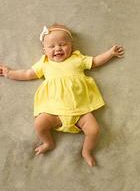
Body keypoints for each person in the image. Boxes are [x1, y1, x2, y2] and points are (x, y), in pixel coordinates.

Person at [0, 24, 125, 167]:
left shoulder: (77, 59)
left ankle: (86, 151)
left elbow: (95, 62)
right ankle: (48, 142)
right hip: (54, 112)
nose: (57, 48)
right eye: (51, 46)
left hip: (81, 111)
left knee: (94, 130)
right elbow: (28, 74)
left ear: (71, 46)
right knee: (39, 124)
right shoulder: (44, 63)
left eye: (62, 44)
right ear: (44, 50)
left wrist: (110, 53)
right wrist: (9, 73)